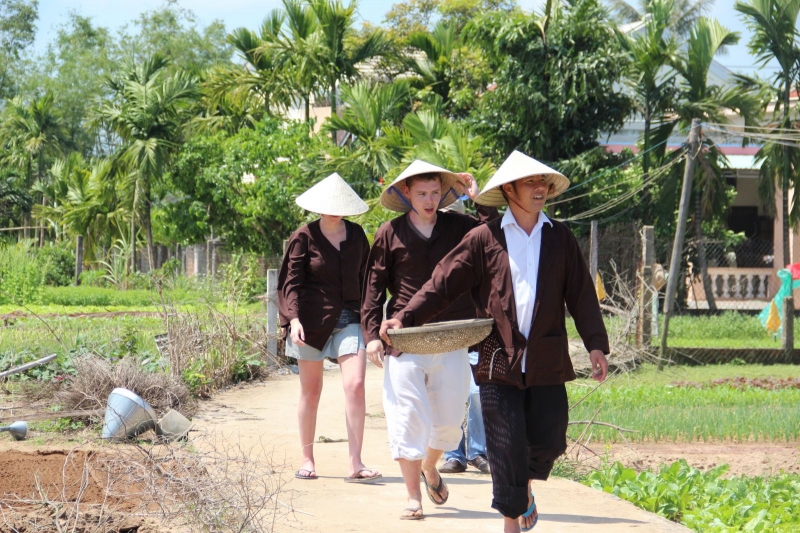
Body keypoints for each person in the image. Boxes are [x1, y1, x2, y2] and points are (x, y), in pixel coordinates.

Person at [380, 151, 610, 532]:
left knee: (549, 439)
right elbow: (442, 283)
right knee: (504, 445)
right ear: (509, 190)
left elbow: (581, 294)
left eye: (544, 183)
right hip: (495, 359)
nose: (540, 189)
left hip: (546, 358)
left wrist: (595, 344)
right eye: (531, 183)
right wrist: (405, 317)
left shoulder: (560, 238)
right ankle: (511, 522)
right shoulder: (485, 238)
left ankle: (526, 492)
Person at [362, 160, 496, 520]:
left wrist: (479, 198)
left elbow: (495, 235)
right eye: (421, 193)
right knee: (408, 416)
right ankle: (412, 498)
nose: (429, 200)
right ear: (406, 193)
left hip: (452, 335)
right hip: (403, 338)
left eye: (435, 193)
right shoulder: (389, 233)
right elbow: (373, 288)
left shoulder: (460, 226)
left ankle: (430, 467)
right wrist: (373, 335)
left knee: (450, 422)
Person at [278, 172, 381, 483]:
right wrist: (293, 320)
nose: (334, 209)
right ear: (318, 206)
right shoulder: (303, 236)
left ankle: (356, 463)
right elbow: (290, 283)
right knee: (311, 392)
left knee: (356, 385)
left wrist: (372, 323)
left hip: (350, 319)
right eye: (329, 204)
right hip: (309, 323)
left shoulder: (358, 235)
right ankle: (307, 459)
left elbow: (369, 281)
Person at [437, 200, 490, 476]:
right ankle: (454, 454)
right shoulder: (432, 258)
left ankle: (479, 451)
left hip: (475, 335)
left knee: (477, 392)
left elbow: (493, 230)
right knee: (451, 394)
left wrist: (480, 200)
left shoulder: (477, 252)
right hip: (446, 339)